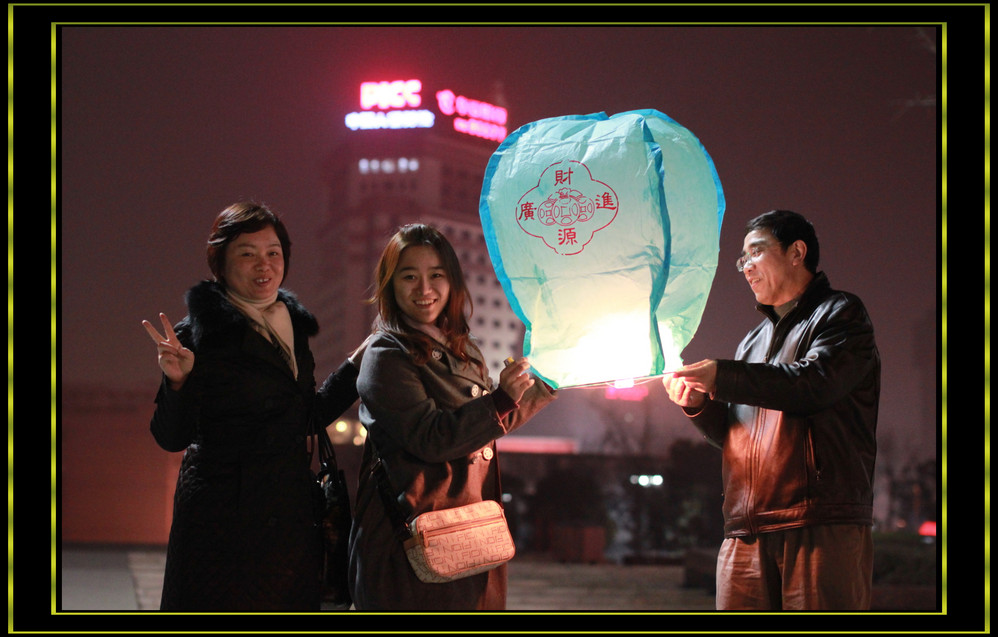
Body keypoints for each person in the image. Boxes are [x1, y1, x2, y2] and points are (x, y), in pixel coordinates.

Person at [141, 201, 360, 611]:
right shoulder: (198, 333)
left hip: (289, 519)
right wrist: (178, 382)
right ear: (221, 264)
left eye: (273, 252)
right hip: (222, 525)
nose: (265, 264)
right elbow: (171, 437)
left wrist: (356, 367)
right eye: (247, 253)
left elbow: (304, 418)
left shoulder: (291, 326)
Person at [662, 209, 880, 611]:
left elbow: (813, 384)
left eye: (756, 252)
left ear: (797, 252)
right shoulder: (752, 341)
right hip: (745, 530)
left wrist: (722, 375)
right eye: (742, 259)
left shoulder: (841, 314)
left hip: (817, 522)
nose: (746, 267)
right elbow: (737, 434)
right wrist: (699, 406)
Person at [348, 223, 557, 610]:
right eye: (409, 277)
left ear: (453, 282)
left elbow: (489, 425)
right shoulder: (386, 354)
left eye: (436, 275)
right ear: (391, 284)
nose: (424, 289)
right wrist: (499, 400)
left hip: (469, 530)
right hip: (411, 541)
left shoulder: (463, 348)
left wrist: (546, 383)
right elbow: (431, 437)